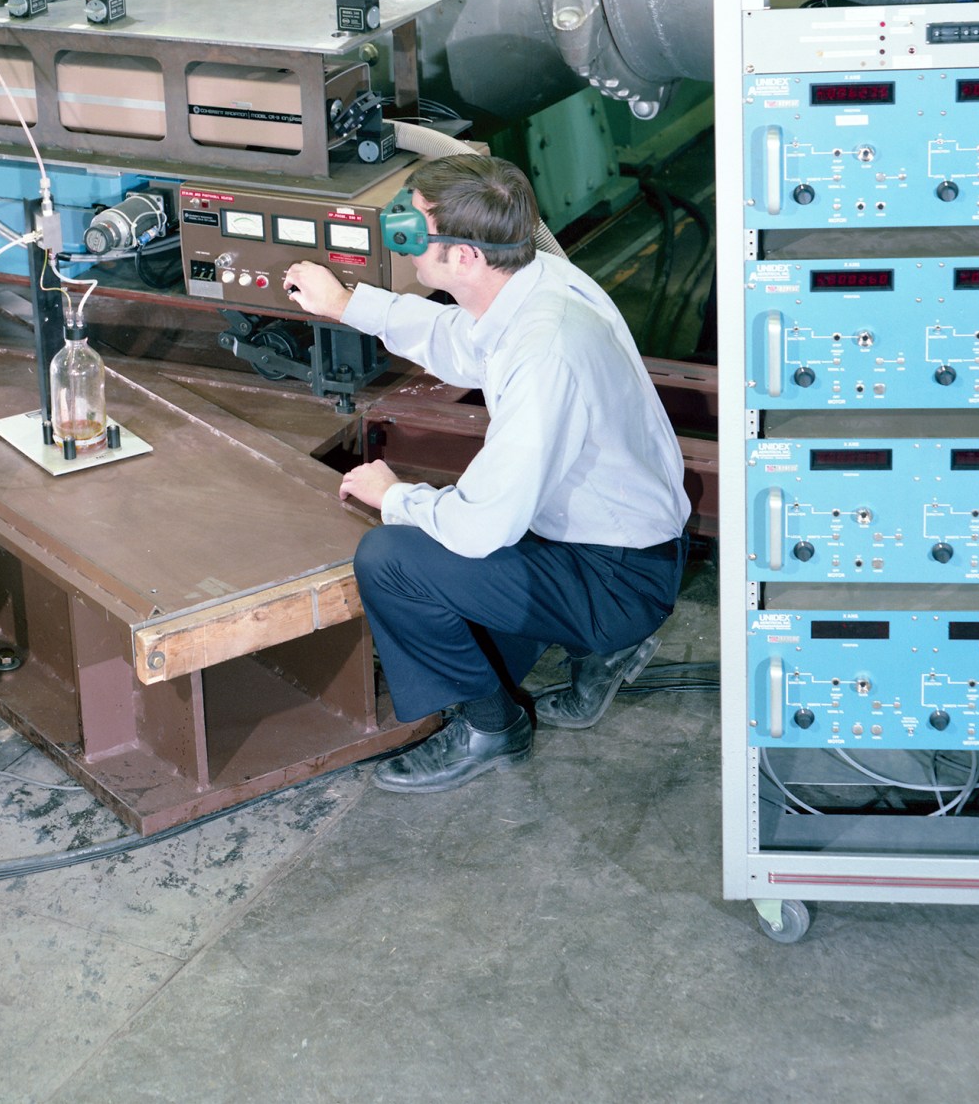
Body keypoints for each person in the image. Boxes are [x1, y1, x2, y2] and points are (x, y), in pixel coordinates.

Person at [283, 154, 690, 793]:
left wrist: (396, 496)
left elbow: (482, 528)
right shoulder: (537, 279)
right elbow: (464, 342)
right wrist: (347, 305)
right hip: (610, 541)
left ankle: (492, 730)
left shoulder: (543, 354)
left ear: (466, 257)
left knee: (392, 558)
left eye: (415, 232)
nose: (402, 240)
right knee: (479, 636)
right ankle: (600, 649)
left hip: (615, 575)